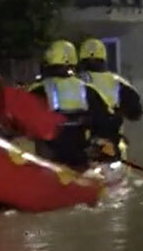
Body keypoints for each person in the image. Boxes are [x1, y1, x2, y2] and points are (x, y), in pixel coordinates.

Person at [25, 40, 117, 170]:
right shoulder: (87, 90)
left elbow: (22, 123)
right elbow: (105, 122)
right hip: (79, 159)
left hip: (48, 161)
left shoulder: (36, 91)